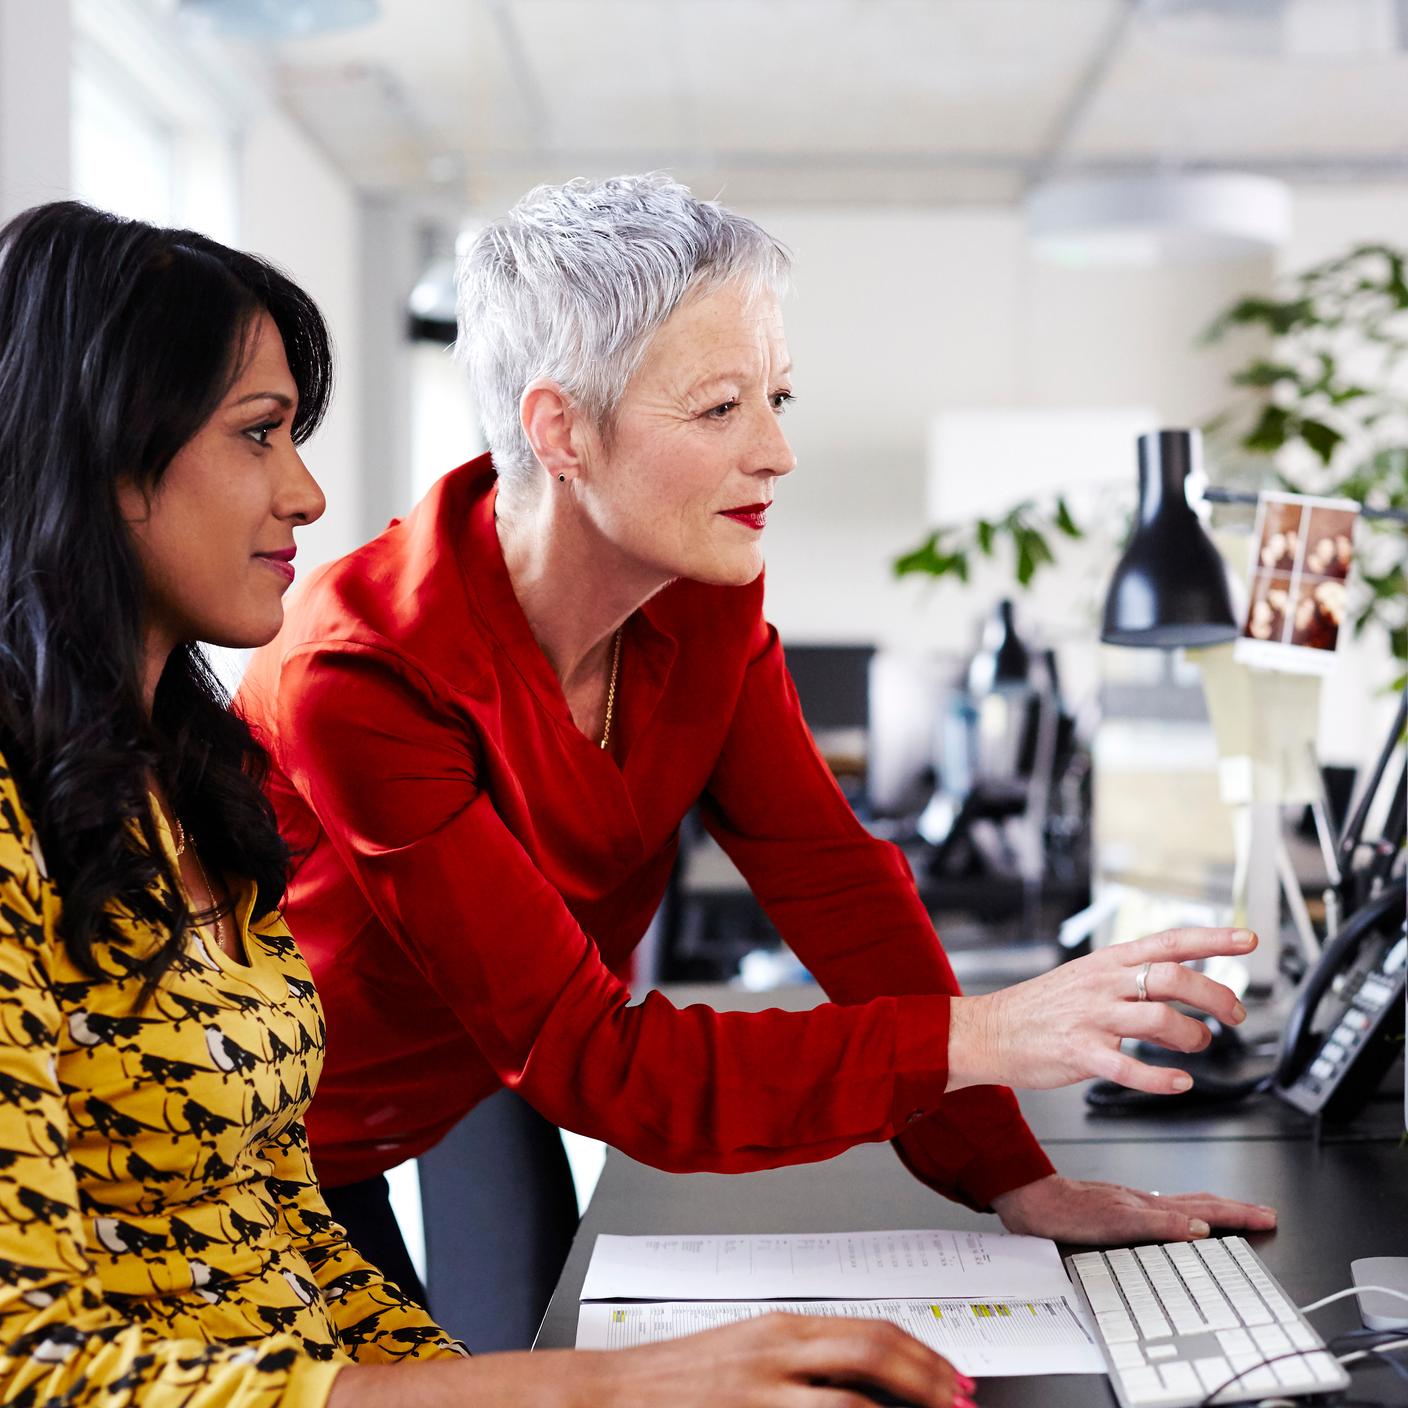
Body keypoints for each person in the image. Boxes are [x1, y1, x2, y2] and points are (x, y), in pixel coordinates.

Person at [238, 173, 1277, 1340]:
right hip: (282, 1138)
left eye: (778, 396)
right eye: (721, 407)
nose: (778, 451)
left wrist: (1010, 1175)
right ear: (561, 429)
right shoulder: (361, 675)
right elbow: (599, 1061)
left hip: (489, 1058)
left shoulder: (700, 600)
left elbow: (836, 885)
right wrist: (984, 1031)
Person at [0, 199, 970, 1408]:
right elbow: (38, 1369)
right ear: (103, 454)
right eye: (259, 435)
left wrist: (509, 1388)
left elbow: (272, 1225)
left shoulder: (179, 781)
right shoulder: (337, 676)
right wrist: (591, 1389)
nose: (306, 494)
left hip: (419, 1153)